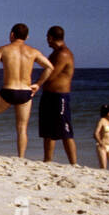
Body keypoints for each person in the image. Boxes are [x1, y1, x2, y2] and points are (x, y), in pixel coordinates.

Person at [0, 23, 54, 157]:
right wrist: (38, 84)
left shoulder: (4, 49)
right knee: (22, 127)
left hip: (8, 91)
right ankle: (21, 156)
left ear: (12, 34)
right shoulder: (33, 51)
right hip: (25, 92)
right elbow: (49, 67)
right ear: (27, 37)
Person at [39, 25, 77, 164]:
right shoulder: (54, 53)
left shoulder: (63, 54)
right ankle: (47, 160)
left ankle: (73, 163)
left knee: (65, 130)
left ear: (51, 37)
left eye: (47, 38)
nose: (47, 41)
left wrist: (37, 83)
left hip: (60, 96)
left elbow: (52, 73)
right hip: (49, 95)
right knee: (48, 131)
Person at [94, 104, 109, 171]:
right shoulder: (102, 121)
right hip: (102, 146)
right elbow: (96, 133)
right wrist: (100, 142)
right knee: (103, 167)